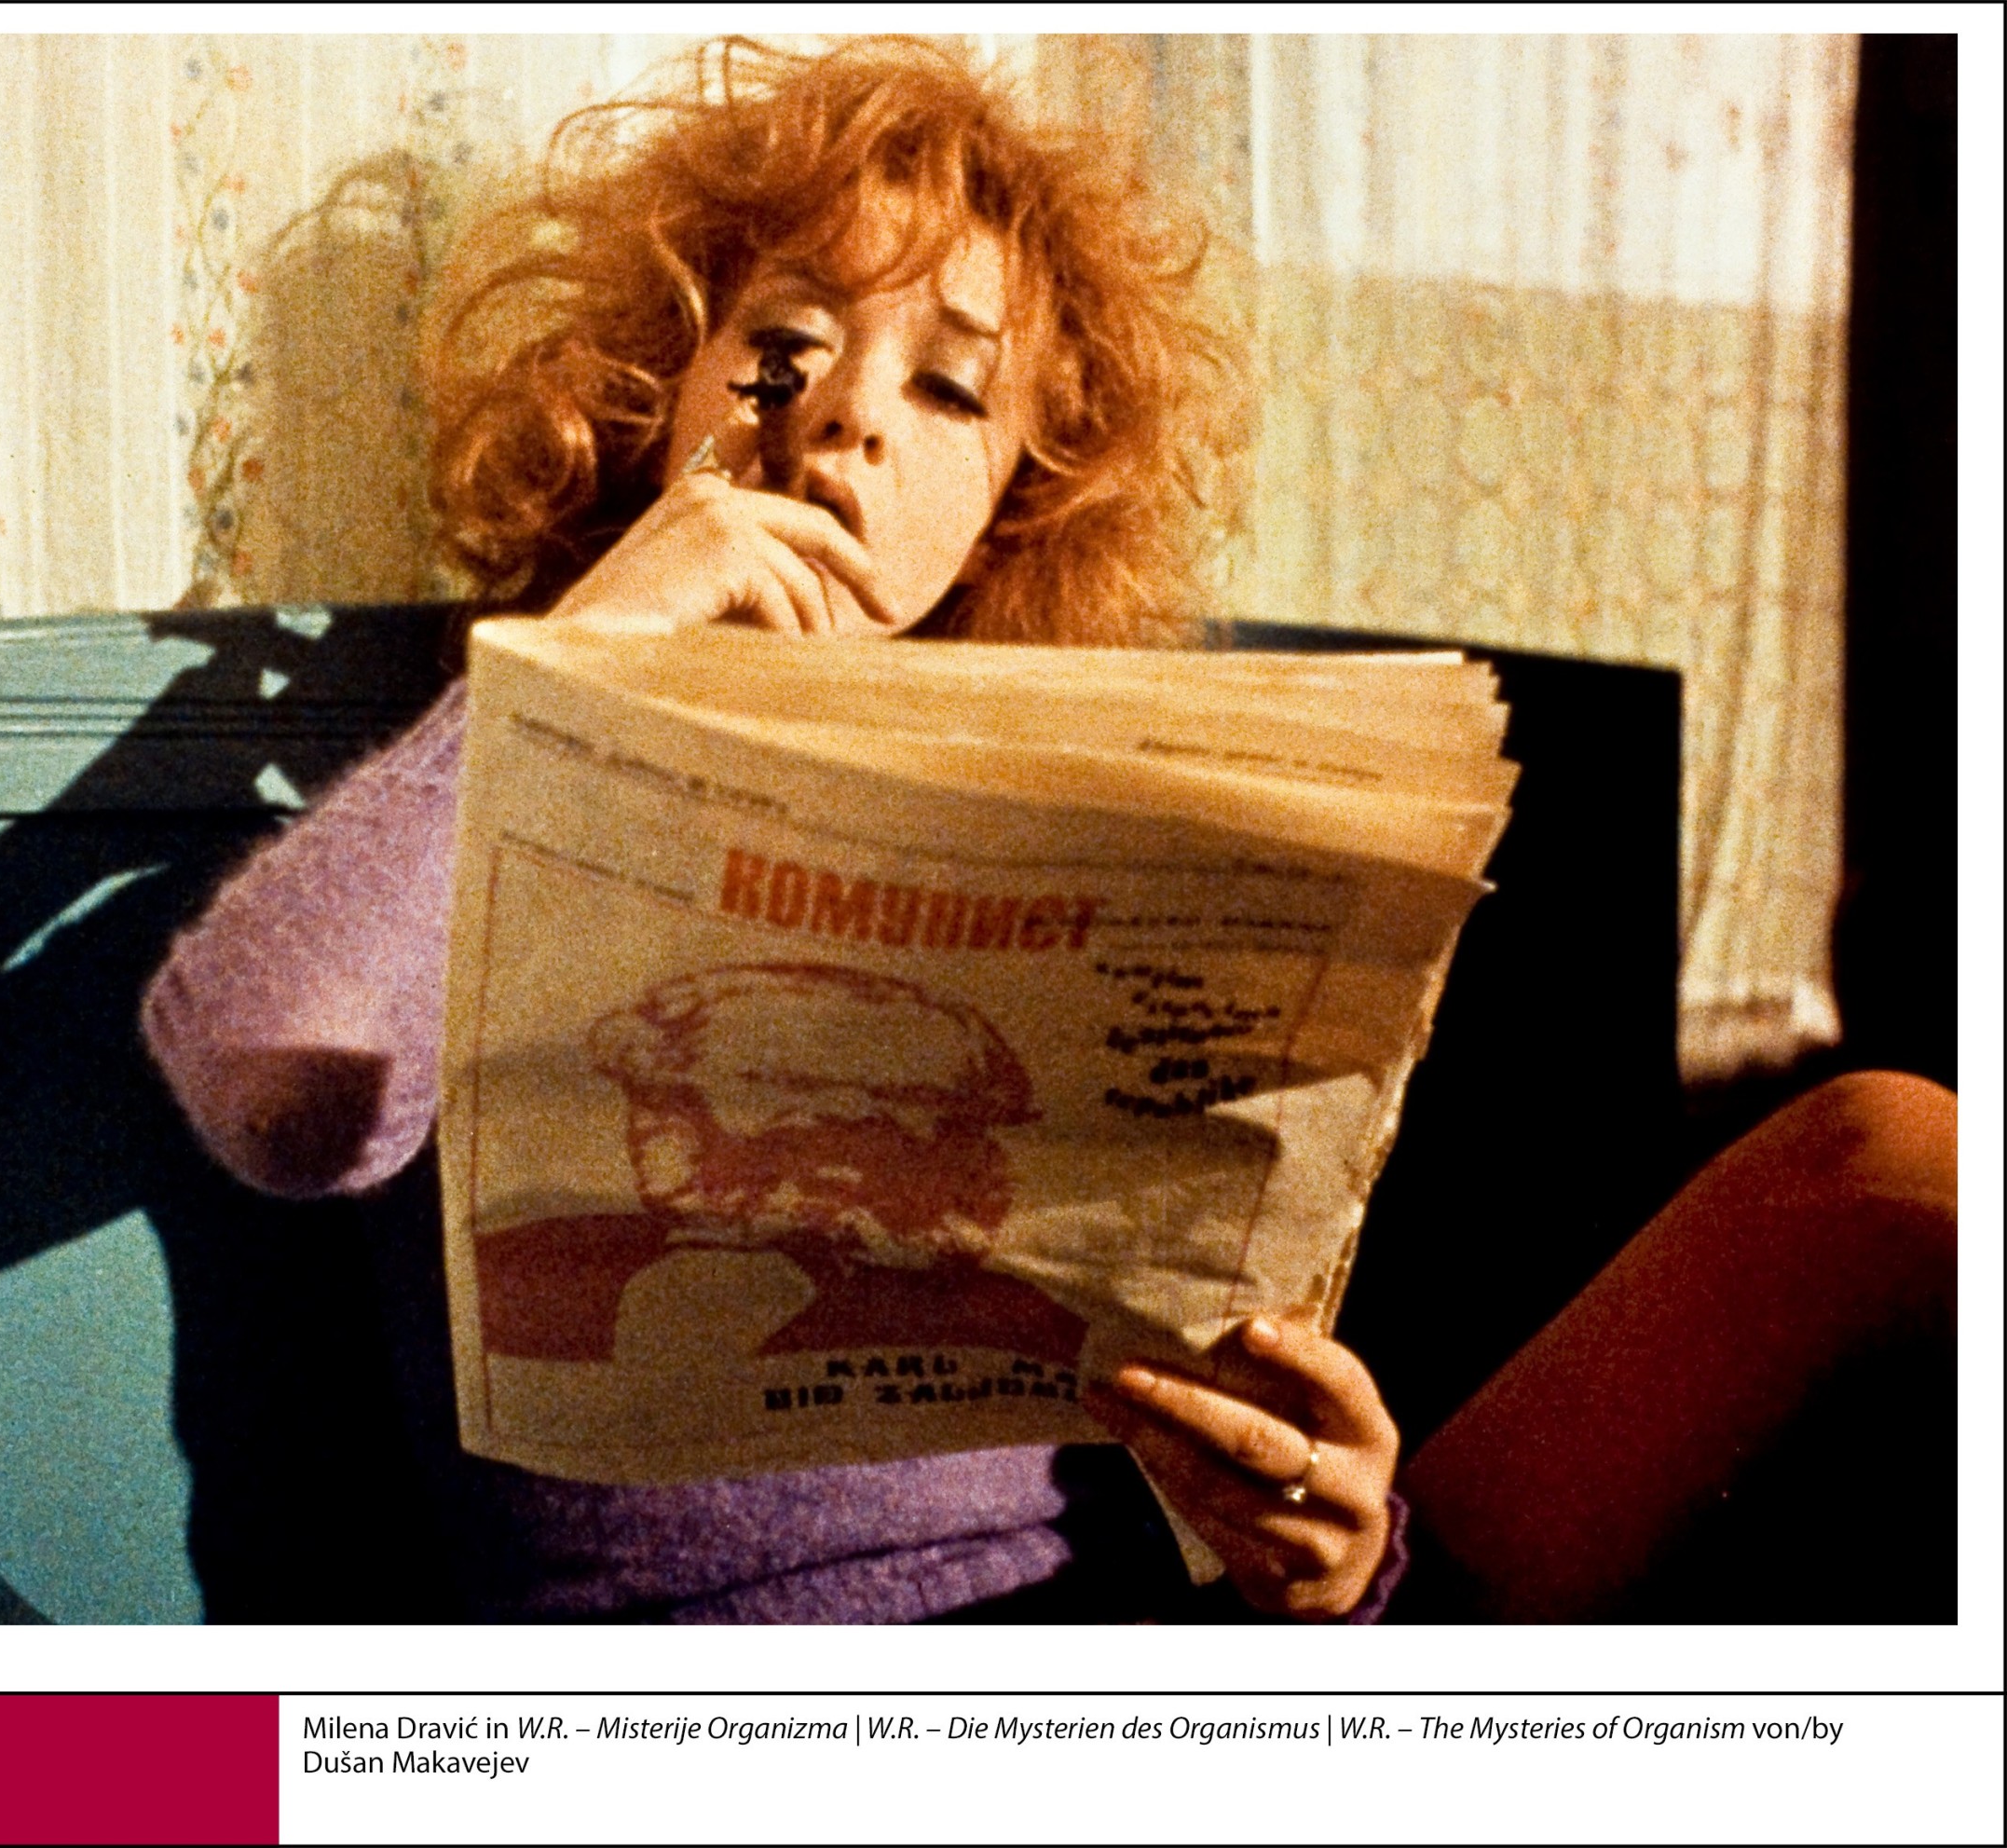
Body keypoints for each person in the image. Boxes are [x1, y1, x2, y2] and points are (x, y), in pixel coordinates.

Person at [143, 37, 1957, 1623]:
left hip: (1114, 1663)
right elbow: (271, 1085)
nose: (847, 414)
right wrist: (587, 644)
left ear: (1009, 504)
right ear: (660, 396)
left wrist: (1335, 1551)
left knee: (1889, 1156)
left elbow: (1220, 1475)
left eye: (949, 388)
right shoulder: (487, 788)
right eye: (781, 345)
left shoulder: (1058, 854)